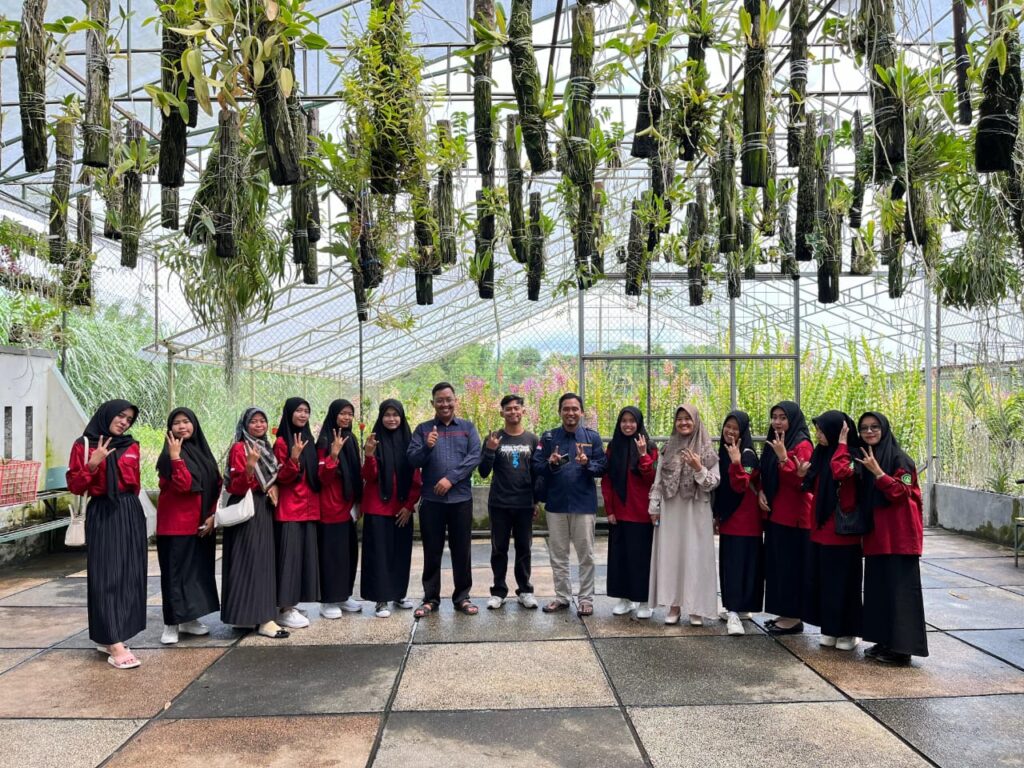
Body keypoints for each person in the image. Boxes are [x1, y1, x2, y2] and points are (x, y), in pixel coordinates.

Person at [832, 411, 928, 666]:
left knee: (900, 593)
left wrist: (879, 474)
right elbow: (840, 471)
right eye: (864, 428)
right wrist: (843, 443)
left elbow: (902, 491)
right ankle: (884, 641)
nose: (870, 432)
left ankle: (901, 649)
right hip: (876, 537)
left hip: (899, 538)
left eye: (875, 427)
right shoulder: (863, 457)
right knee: (879, 592)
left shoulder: (901, 460)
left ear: (884, 429)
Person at [66, 400, 147, 670]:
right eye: (120, 416)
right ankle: (113, 641)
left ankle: (114, 633)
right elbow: (76, 486)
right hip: (103, 511)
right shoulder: (84, 444)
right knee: (106, 574)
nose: (124, 422)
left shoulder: (131, 445)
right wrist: (92, 464)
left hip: (129, 510)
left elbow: (134, 483)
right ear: (107, 415)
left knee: (129, 573)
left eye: (129, 419)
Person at [407, 382, 482, 617]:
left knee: (462, 550)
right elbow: (412, 459)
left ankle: (462, 597)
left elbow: (474, 457)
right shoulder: (423, 429)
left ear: (455, 400)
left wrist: (451, 478)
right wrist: (427, 448)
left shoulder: (468, 428)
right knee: (432, 550)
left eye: (448, 399)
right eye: (440, 400)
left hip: (461, 499)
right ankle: (430, 599)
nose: (445, 404)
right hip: (432, 501)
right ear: (433, 403)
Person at [532, 392, 607, 616]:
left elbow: (603, 466)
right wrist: (550, 463)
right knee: (558, 554)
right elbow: (536, 466)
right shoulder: (548, 438)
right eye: (566, 409)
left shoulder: (592, 438)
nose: (570, 413)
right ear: (560, 412)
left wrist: (587, 464)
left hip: (584, 505)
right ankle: (562, 597)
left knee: (586, 555)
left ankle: (586, 599)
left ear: (581, 412)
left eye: (575, 409)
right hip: (556, 504)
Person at [648, 404, 720, 625]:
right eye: (679, 419)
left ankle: (696, 608)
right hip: (671, 508)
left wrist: (699, 467)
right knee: (672, 556)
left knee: (696, 556)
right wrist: (654, 505)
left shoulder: (706, 449)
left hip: (696, 508)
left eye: (688, 419)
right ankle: (674, 605)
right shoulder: (668, 447)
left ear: (696, 421)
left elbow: (713, 482)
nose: (683, 423)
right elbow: (658, 478)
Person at [155, 407, 221, 645]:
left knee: (195, 575)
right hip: (175, 527)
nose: (182, 427)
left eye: (186, 422)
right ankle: (171, 623)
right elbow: (183, 486)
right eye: (177, 423)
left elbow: (216, 484)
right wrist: (175, 457)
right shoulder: (167, 456)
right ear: (170, 428)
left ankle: (189, 619)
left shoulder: (203, 453)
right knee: (175, 576)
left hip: (201, 525)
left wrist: (213, 515)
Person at [221, 407, 288, 639]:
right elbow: (234, 486)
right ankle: (258, 619)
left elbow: (272, 477)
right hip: (247, 509)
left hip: (263, 509)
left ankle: (256, 617)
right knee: (249, 561)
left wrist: (273, 486)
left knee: (262, 562)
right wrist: (249, 468)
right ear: (245, 425)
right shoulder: (240, 447)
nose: (259, 425)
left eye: (262, 421)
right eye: (254, 422)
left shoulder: (266, 447)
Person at [800, 411, 862, 651]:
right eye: (817, 430)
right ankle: (830, 628)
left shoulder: (854, 454)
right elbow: (812, 486)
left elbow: (841, 472)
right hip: (822, 529)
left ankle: (848, 631)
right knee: (825, 582)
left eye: (823, 431)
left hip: (843, 532)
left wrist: (844, 445)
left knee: (844, 583)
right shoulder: (820, 453)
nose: (818, 435)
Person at [478, 394, 540, 610]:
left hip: (524, 504)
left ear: (523, 411)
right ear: (501, 412)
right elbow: (483, 472)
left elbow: (536, 473)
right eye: (508, 409)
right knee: (499, 549)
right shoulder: (494, 438)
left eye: (517, 408)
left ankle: (525, 590)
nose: (513, 412)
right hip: (499, 504)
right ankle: (498, 591)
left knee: (524, 548)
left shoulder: (532, 439)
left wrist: (535, 501)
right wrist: (490, 450)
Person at [361, 400, 422, 618]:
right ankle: (381, 599)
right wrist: (369, 455)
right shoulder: (374, 440)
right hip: (378, 507)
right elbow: (369, 477)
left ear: (402, 417)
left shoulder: (410, 442)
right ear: (381, 417)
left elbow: (416, 478)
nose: (391, 419)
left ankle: (398, 593)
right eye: (387, 414)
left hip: (401, 509)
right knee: (379, 555)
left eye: (396, 414)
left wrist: (409, 506)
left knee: (400, 553)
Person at [759, 400, 814, 635]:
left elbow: (802, 483)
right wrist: (761, 490)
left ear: (793, 419)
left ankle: (793, 618)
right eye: (774, 417)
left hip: (795, 518)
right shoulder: (775, 442)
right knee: (779, 567)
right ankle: (785, 613)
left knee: (792, 568)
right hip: (776, 515)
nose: (777, 422)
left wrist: (783, 458)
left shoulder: (801, 445)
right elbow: (765, 472)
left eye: (782, 417)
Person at [601, 406, 658, 619]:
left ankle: (644, 600)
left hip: (642, 513)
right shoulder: (613, 447)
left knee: (642, 558)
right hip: (620, 512)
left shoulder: (649, 446)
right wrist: (610, 509)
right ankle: (624, 599)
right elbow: (607, 480)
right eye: (624, 420)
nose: (627, 425)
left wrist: (643, 455)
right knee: (620, 558)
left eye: (632, 421)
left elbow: (652, 479)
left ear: (639, 423)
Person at [273, 397, 321, 628]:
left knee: (303, 559)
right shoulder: (282, 442)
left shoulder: (309, 440)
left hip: (309, 508)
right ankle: (285, 608)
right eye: (298, 411)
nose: (303, 415)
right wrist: (293, 458)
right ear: (289, 413)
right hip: (290, 509)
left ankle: (292, 602)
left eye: (306, 411)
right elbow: (280, 477)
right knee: (289, 561)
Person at [714, 411, 763, 636]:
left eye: (735, 428)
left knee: (738, 564)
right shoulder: (724, 451)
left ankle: (735, 612)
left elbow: (741, 485)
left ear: (743, 430)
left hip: (745, 520)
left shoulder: (748, 454)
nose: (730, 431)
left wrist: (736, 462)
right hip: (731, 519)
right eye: (728, 426)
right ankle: (739, 607)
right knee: (733, 562)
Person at [315, 399, 363, 619]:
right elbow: (321, 478)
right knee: (331, 555)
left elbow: (355, 472)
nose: (346, 418)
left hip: (347, 507)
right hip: (329, 507)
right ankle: (328, 600)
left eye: (350, 414)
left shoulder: (350, 438)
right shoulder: (325, 440)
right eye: (342, 413)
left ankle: (343, 595)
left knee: (348, 554)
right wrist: (333, 455)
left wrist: (358, 501)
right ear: (333, 414)